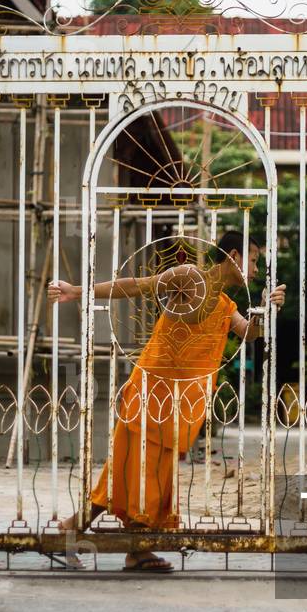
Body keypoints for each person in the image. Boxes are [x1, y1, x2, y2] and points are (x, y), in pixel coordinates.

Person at [48, 231, 285, 572]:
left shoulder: (224, 304)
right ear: (233, 255)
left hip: (179, 401)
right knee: (137, 470)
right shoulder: (192, 278)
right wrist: (77, 292)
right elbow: (135, 285)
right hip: (152, 391)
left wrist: (266, 307)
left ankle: (94, 536)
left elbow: (250, 332)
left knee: (139, 473)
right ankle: (125, 546)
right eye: (252, 259)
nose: (254, 269)